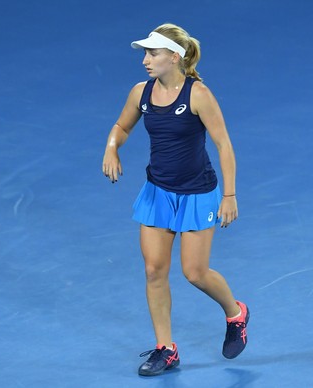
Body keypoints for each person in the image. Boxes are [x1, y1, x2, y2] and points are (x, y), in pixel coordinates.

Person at [102, 23, 249, 376]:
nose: (146, 61)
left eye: (152, 54)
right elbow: (121, 127)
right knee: (154, 270)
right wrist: (112, 148)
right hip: (158, 193)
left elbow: (223, 144)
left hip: (198, 194)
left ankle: (236, 313)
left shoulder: (198, 95)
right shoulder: (141, 92)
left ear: (174, 56)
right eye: (145, 54)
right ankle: (165, 349)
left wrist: (229, 195)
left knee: (195, 273)